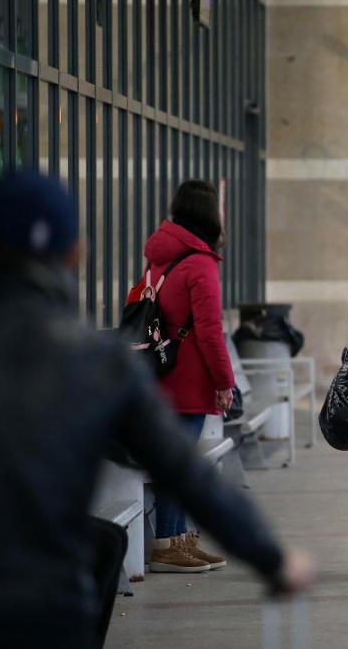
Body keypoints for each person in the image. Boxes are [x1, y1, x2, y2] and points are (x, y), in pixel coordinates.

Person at [0, 172, 313, 649]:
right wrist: (272, 558)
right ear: (76, 252)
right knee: (105, 544)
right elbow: (187, 473)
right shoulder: (97, 362)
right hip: (48, 604)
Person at [135, 179, 238, 573]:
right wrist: (224, 382)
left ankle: (179, 538)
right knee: (179, 464)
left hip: (161, 374)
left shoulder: (160, 257)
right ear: (210, 214)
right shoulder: (200, 263)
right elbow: (210, 331)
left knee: (177, 460)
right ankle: (167, 543)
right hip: (190, 377)